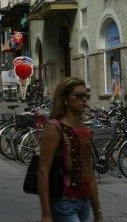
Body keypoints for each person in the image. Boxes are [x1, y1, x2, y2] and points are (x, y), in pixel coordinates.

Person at [38, 77, 103, 222]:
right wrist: (46, 213)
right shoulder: (54, 128)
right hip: (64, 202)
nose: (84, 100)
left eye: (86, 95)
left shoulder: (83, 129)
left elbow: (89, 174)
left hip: (84, 202)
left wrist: (97, 212)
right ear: (65, 99)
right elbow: (43, 171)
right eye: (79, 96)